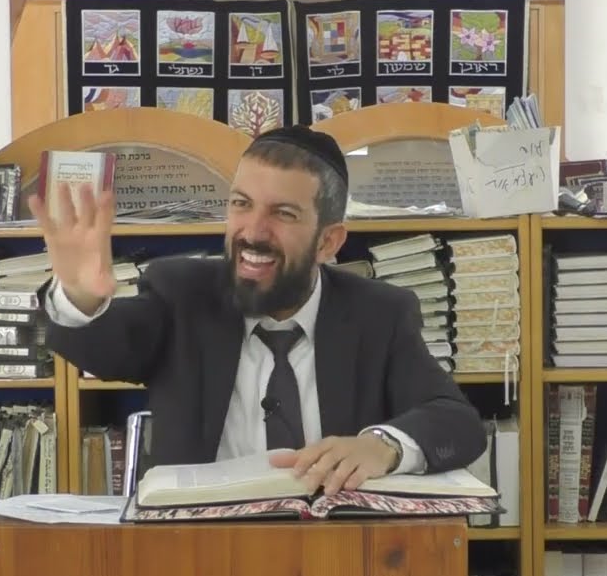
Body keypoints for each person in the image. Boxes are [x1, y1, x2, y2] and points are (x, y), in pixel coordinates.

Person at [31, 125, 487, 496]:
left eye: (283, 214)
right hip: (200, 555)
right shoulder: (182, 295)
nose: (252, 232)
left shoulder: (379, 314)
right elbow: (106, 348)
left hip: (339, 554)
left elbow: (457, 422)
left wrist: (381, 446)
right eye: (241, 205)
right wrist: (80, 297)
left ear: (328, 241)